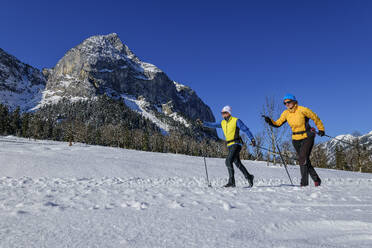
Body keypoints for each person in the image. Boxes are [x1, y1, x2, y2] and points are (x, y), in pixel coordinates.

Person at [263, 94, 325, 187]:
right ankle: (316, 179)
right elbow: (278, 123)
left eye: (288, 102)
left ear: (294, 101)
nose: (286, 104)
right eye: (285, 103)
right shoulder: (285, 113)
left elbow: (315, 118)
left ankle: (304, 184)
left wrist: (321, 129)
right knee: (304, 160)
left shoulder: (303, 109)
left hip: (307, 136)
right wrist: (270, 121)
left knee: (302, 158)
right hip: (295, 139)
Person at [198, 106, 256, 188]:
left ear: (228, 113)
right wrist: (202, 123)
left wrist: (252, 139)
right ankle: (249, 176)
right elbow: (212, 125)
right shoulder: (222, 123)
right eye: (222, 113)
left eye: (224, 113)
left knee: (228, 161)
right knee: (237, 162)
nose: (222, 115)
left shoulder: (236, 120)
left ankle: (231, 182)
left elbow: (245, 129)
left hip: (236, 144)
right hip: (229, 145)